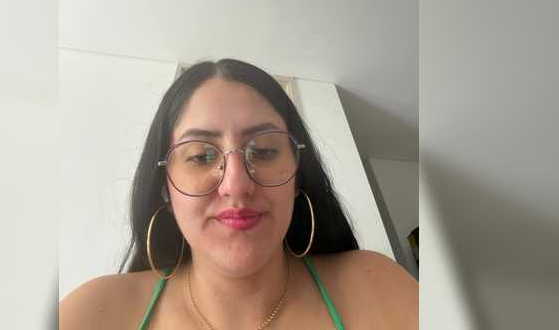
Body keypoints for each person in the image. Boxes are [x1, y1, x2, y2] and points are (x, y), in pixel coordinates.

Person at [60, 59, 418, 329]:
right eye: (200, 156)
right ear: (164, 188)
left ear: (298, 176)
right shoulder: (93, 314)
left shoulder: (376, 286)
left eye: (264, 151)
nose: (236, 184)